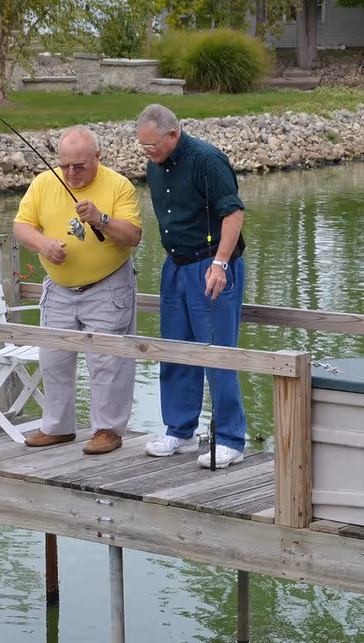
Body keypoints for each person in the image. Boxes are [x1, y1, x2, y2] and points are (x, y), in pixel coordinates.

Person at [12, 126, 144, 455]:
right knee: (53, 357)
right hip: (58, 288)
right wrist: (42, 245)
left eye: (79, 166)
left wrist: (101, 219)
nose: (71, 173)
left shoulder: (119, 186)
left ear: (98, 157)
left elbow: (132, 236)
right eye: (65, 165)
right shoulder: (45, 183)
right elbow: (21, 225)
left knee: (107, 361)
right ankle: (57, 427)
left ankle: (107, 430)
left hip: (108, 285)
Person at [135, 103, 248, 469]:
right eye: (142, 146)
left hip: (211, 265)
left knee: (217, 354)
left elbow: (233, 213)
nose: (147, 153)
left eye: (152, 145)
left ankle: (231, 439)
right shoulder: (155, 165)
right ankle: (181, 431)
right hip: (176, 266)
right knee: (175, 351)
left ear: (173, 134)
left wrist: (220, 264)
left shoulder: (206, 160)